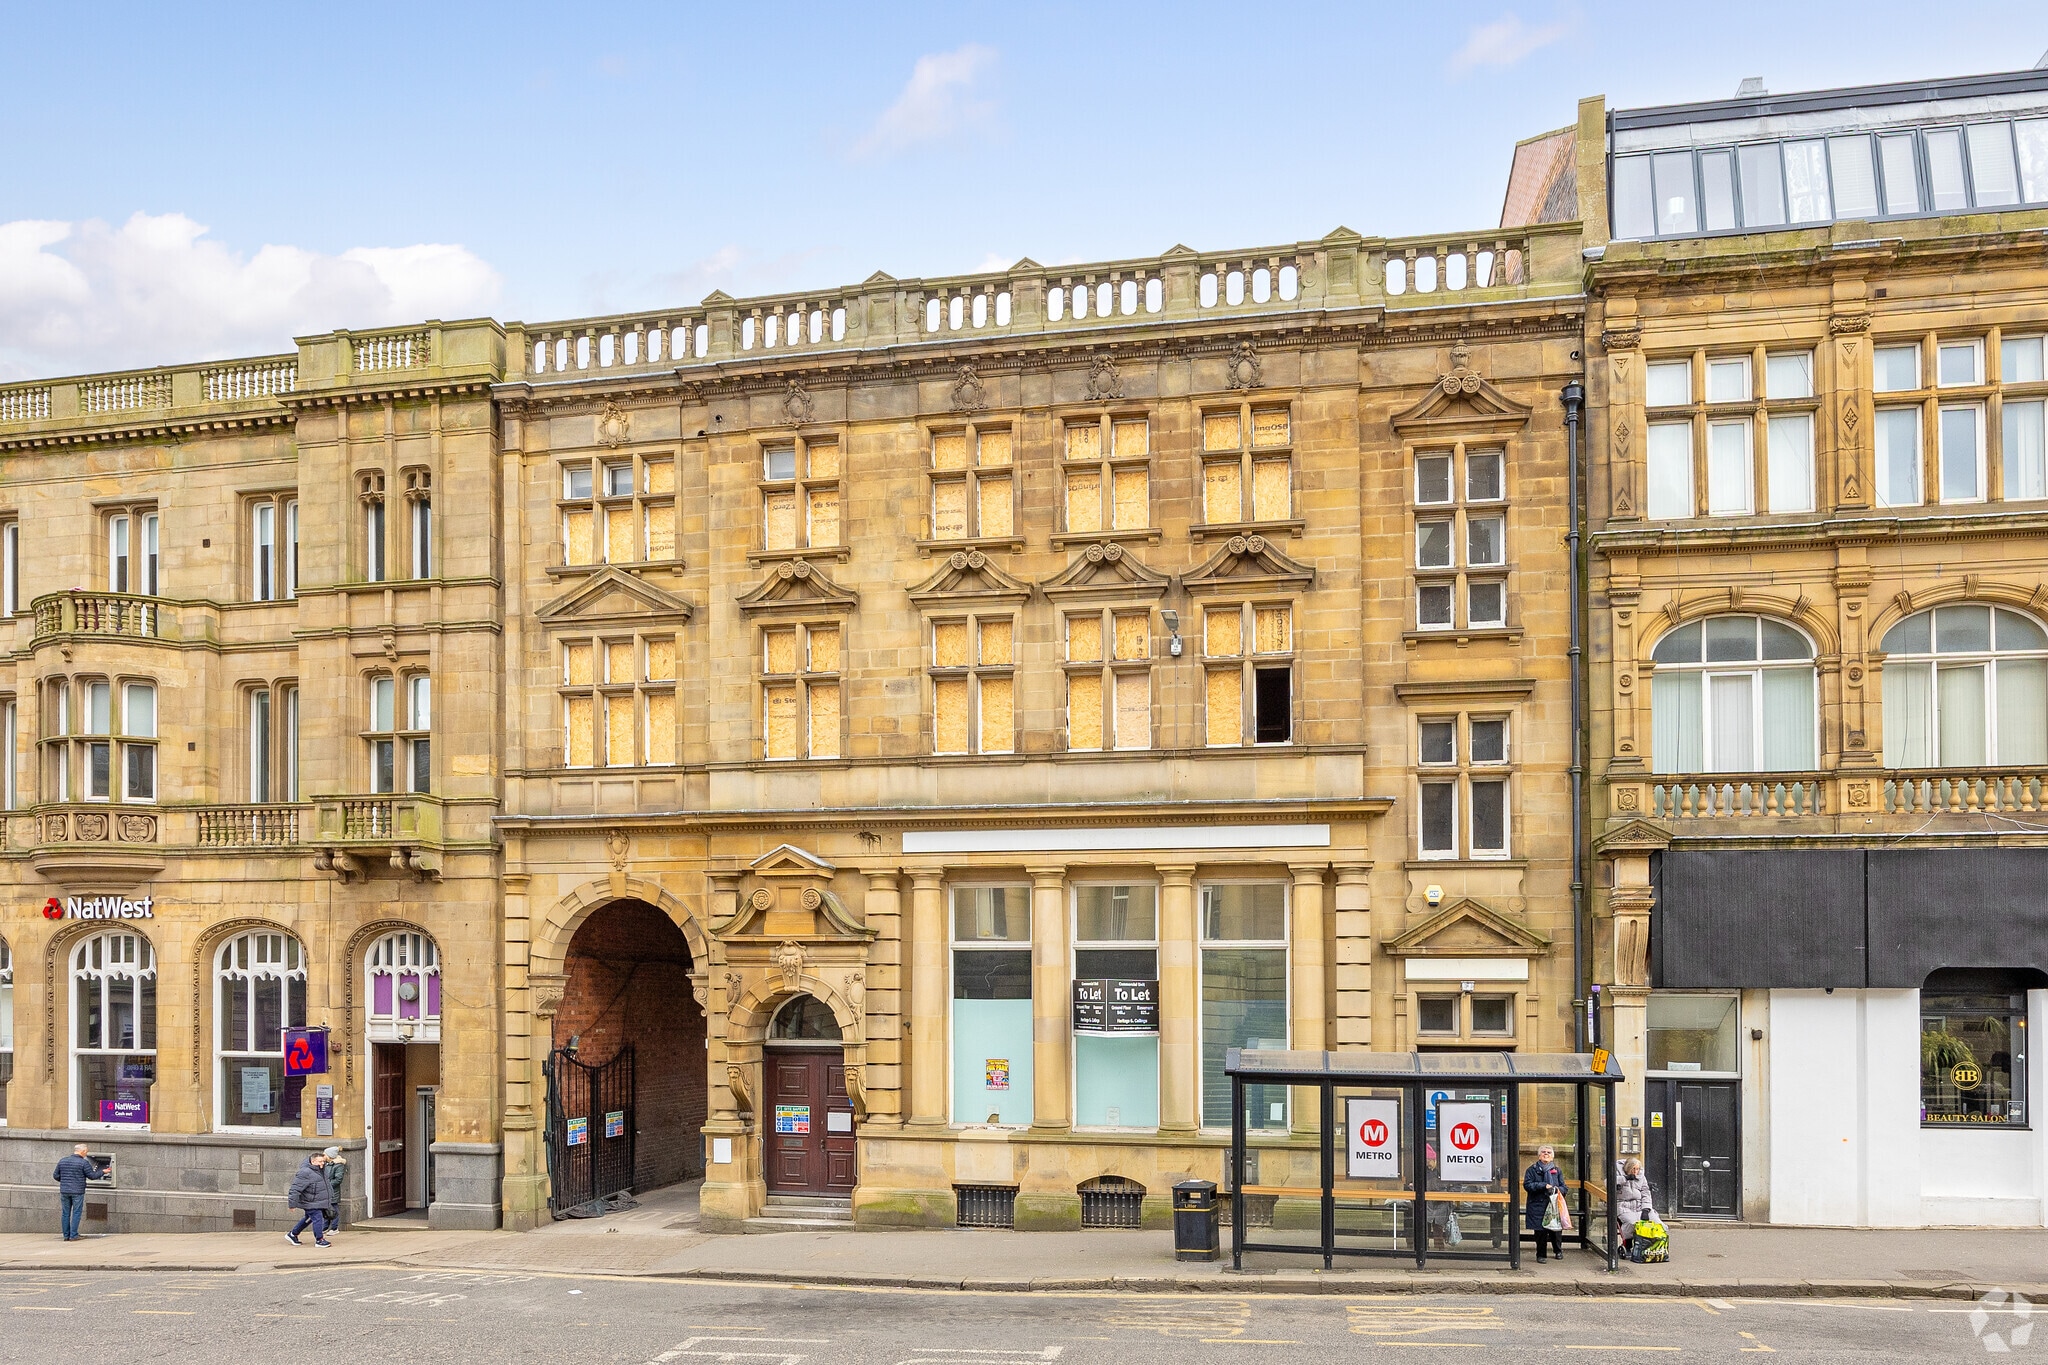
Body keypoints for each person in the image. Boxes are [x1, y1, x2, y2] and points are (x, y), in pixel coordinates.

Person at [1523, 1143, 1568, 1262]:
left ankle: (1558, 1251)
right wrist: (1543, 1185)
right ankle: (1541, 1255)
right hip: (1538, 1205)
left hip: (1553, 1205)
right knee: (1540, 1232)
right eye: (1543, 1152)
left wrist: (1558, 1190)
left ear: (1552, 1157)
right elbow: (1527, 1185)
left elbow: (1564, 1187)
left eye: (1548, 1152)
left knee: (1556, 1230)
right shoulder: (1531, 1170)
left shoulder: (1557, 1171)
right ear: (1539, 1156)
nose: (1546, 1154)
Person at [286, 1153, 334, 1247]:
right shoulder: (305, 1172)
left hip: (318, 1201)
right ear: (313, 1161)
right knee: (317, 1218)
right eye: (320, 1161)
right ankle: (319, 1240)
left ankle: (293, 1234)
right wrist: (292, 1204)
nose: (322, 1163)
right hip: (310, 1202)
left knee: (308, 1219)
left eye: (323, 1161)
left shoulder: (322, 1170)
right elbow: (295, 1188)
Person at [1614, 1156, 1657, 1259]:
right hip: (1624, 1205)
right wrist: (1624, 1179)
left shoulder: (1641, 1177)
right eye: (1633, 1169)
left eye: (1637, 1169)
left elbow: (1645, 1193)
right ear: (1628, 1168)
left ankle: (1653, 1244)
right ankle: (1628, 1244)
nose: (1635, 1171)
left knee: (1656, 1222)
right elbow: (1608, 1182)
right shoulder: (1618, 1173)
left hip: (1639, 1205)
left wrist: (1646, 1208)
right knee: (1632, 1223)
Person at [53, 1144, 94, 1242]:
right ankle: (74, 1235)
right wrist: (103, 1172)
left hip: (65, 1191)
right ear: (82, 1151)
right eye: (86, 1151)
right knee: (76, 1212)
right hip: (77, 1191)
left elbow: (55, 1175)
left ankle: (66, 1235)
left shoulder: (62, 1161)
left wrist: (65, 1181)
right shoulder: (83, 1163)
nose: (86, 1153)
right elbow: (92, 1176)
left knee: (65, 1213)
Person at [320, 1147, 348, 1238]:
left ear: (330, 1156)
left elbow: (338, 1179)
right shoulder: (326, 1164)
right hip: (326, 1191)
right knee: (326, 1209)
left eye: (325, 1154)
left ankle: (334, 1228)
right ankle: (325, 1227)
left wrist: (327, 1185)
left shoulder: (338, 1165)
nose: (323, 1156)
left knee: (334, 1209)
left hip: (333, 1191)